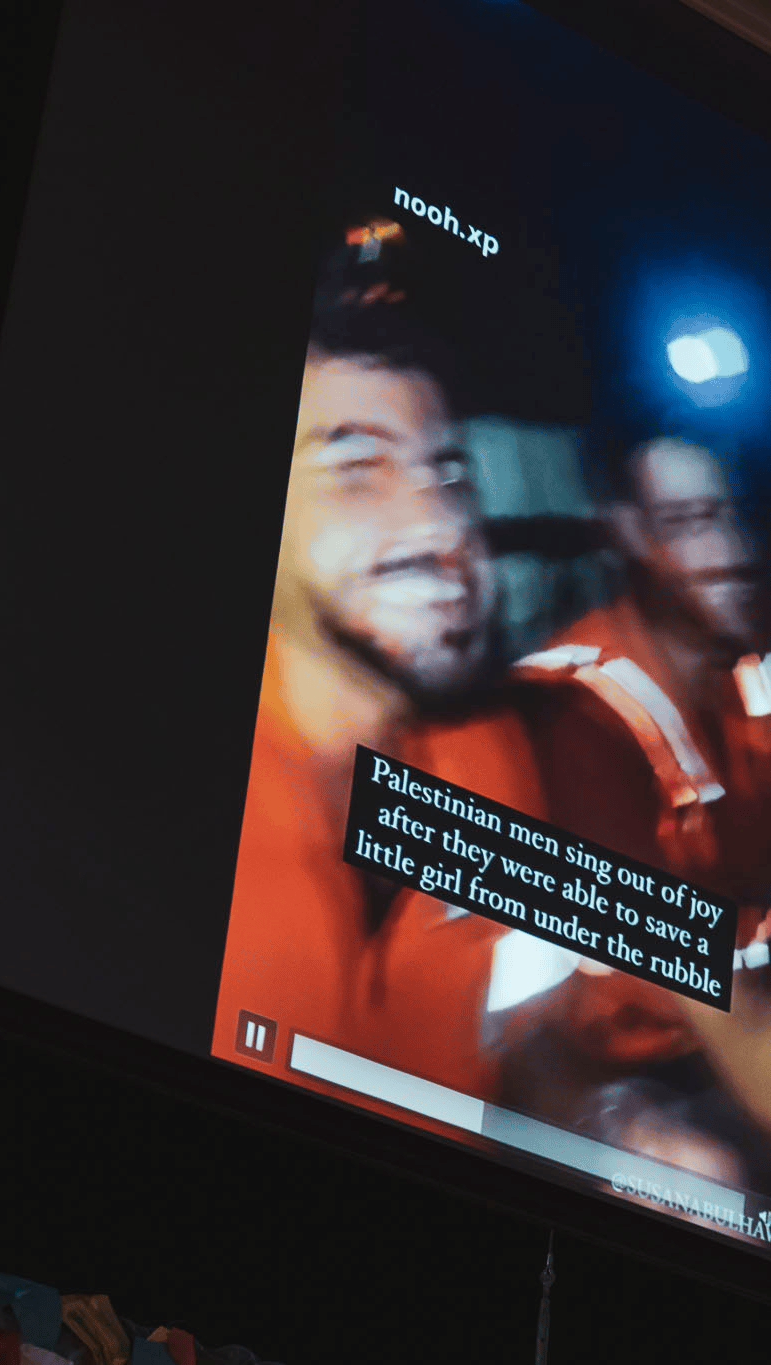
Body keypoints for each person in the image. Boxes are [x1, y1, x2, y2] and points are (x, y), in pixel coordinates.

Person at [210, 226, 547, 1099]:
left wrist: (612, 1127)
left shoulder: (490, 759)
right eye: (357, 467)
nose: (439, 526)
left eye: (449, 475)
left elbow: (512, 1044)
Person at [502, 436, 771, 1196]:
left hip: (738, 1033)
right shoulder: (578, 711)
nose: (726, 550)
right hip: (619, 1080)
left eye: (730, 517)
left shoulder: (749, 661)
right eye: (689, 521)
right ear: (629, 530)